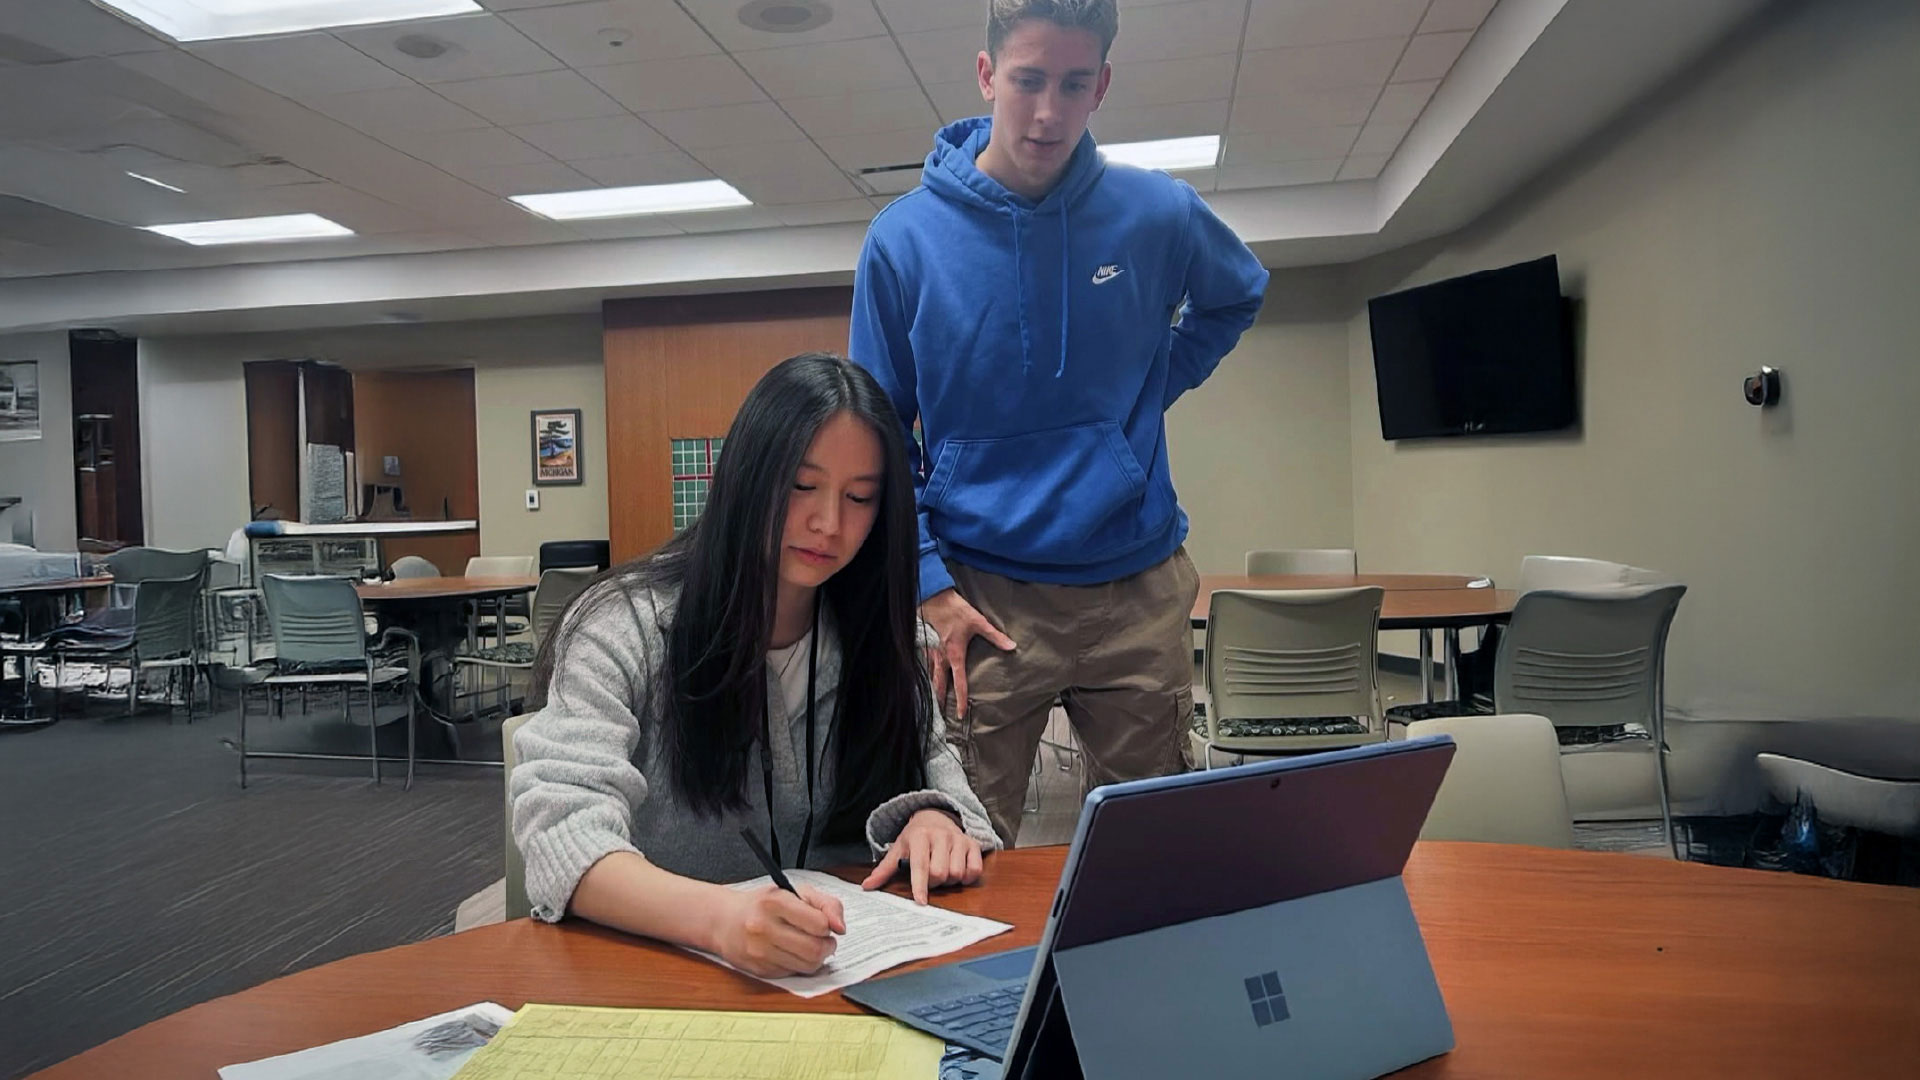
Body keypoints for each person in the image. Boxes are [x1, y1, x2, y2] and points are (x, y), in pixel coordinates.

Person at [850, 0, 1271, 843]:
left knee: (1156, 850)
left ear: (1102, 85)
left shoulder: (1158, 212)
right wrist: (927, 584)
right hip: (981, 592)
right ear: (986, 75)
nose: (1047, 112)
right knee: (965, 846)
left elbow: (1236, 295)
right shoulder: (903, 241)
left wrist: (1150, 387)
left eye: (1074, 85)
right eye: (1028, 80)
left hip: (1136, 581)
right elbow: (878, 432)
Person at [510, 353, 1000, 979]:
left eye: (859, 497)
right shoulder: (623, 627)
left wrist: (935, 818)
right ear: (746, 476)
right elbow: (560, 833)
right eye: (801, 486)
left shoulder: (886, 636)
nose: (828, 523)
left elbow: (944, 777)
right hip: (665, 979)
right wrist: (719, 920)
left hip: (847, 978)